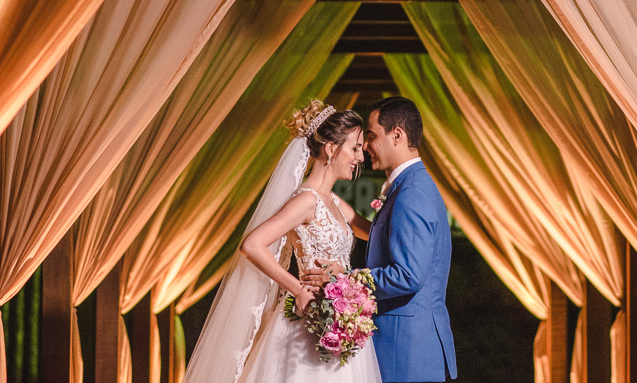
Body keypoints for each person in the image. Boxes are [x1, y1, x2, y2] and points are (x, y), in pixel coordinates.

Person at [182, 101, 382, 383]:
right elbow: (252, 245)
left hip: (339, 320)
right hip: (308, 321)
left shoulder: (336, 202)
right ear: (330, 149)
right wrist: (298, 289)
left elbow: (373, 232)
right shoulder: (306, 200)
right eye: (355, 148)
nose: (360, 157)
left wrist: (392, 200)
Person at [302, 96, 457, 383]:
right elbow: (385, 236)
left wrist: (345, 280)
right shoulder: (411, 186)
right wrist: (334, 206)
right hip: (410, 345)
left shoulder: (412, 194)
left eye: (371, 137)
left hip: (405, 350)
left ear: (397, 135)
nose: (365, 149)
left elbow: (408, 276)